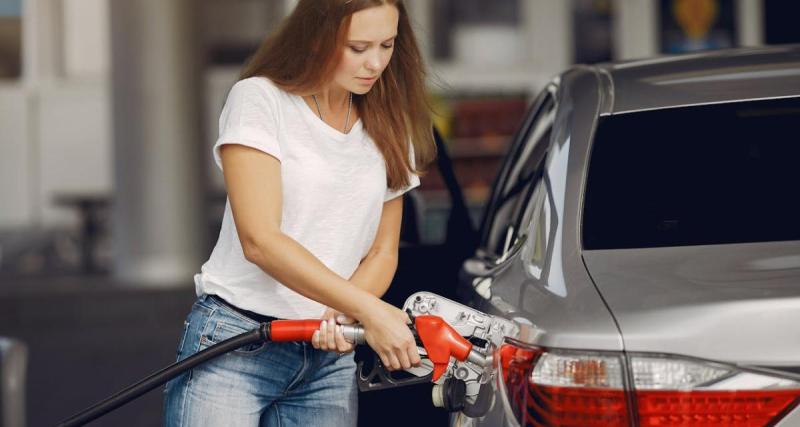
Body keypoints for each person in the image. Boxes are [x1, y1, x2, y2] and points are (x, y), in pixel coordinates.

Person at [162, 0, 435, 426]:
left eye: (387, 45)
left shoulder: (390, 122)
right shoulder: (260, 100)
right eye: (358, 47)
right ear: (317, 36)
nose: (376, 63)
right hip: (237, 342)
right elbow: (260, 241)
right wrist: (372, 310)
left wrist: (347, 313)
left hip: (328, 357)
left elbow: (383, 252)